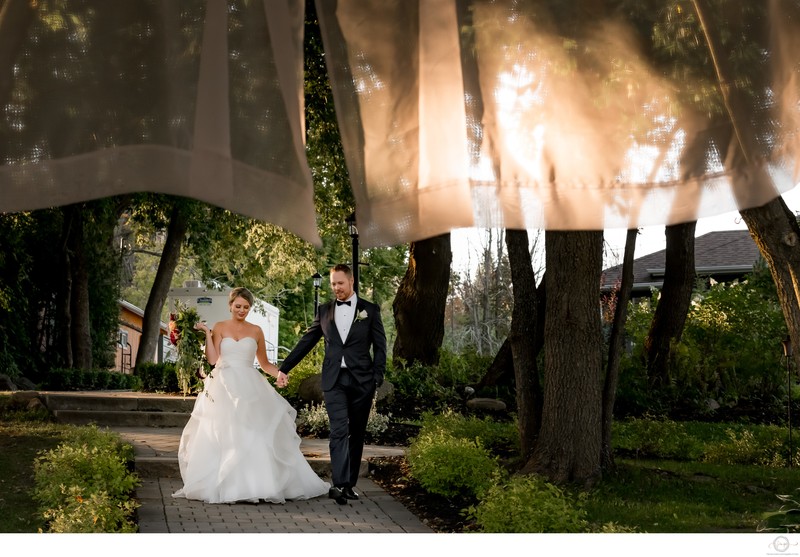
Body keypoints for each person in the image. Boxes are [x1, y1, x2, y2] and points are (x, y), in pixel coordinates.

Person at [172, 287, 330, 504]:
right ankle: (228, 485)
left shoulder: (256, 331)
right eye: (238, 306)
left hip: (250, 383)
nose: (241, 310)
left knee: (254, 433)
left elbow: (264, 364)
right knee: (225, 433)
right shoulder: (219, 327)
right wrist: (208, 334)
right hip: (223, 384)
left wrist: (281, 373)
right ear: (230, 306)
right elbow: (212, 359)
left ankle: (258, 484)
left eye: (246, 307)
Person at [277, 264, 387, 505]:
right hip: (334, 379)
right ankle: (338, 484)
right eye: (333, 284)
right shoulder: (325, 310)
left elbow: (380, 346)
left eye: (340, 283)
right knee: (338, 429)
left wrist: (377, 376)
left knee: (356, 432)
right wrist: (284, 368)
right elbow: (307, 341)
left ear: (351, 282)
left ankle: (349, 484)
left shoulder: (370, 310)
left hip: (362, 380)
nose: (336, 288)